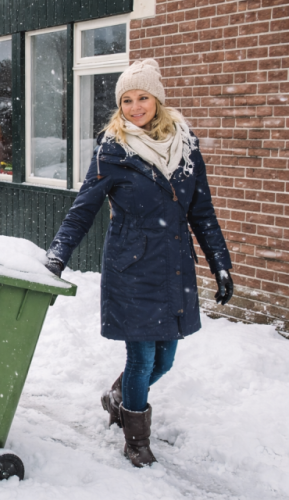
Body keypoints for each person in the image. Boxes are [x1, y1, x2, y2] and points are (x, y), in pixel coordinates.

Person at [44, 59, 234, 468]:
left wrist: (220, 262)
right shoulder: (113, 150)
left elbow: (201, 212)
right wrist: (58, 254)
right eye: (126, 100)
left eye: (142, 97)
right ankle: (136, 441)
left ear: (157, 100)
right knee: (142, 358)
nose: (134, 107)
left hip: (173, 267)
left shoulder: (185, 147)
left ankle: (118, 396)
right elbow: (83, 210)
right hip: (131, 268)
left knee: (165, 360)